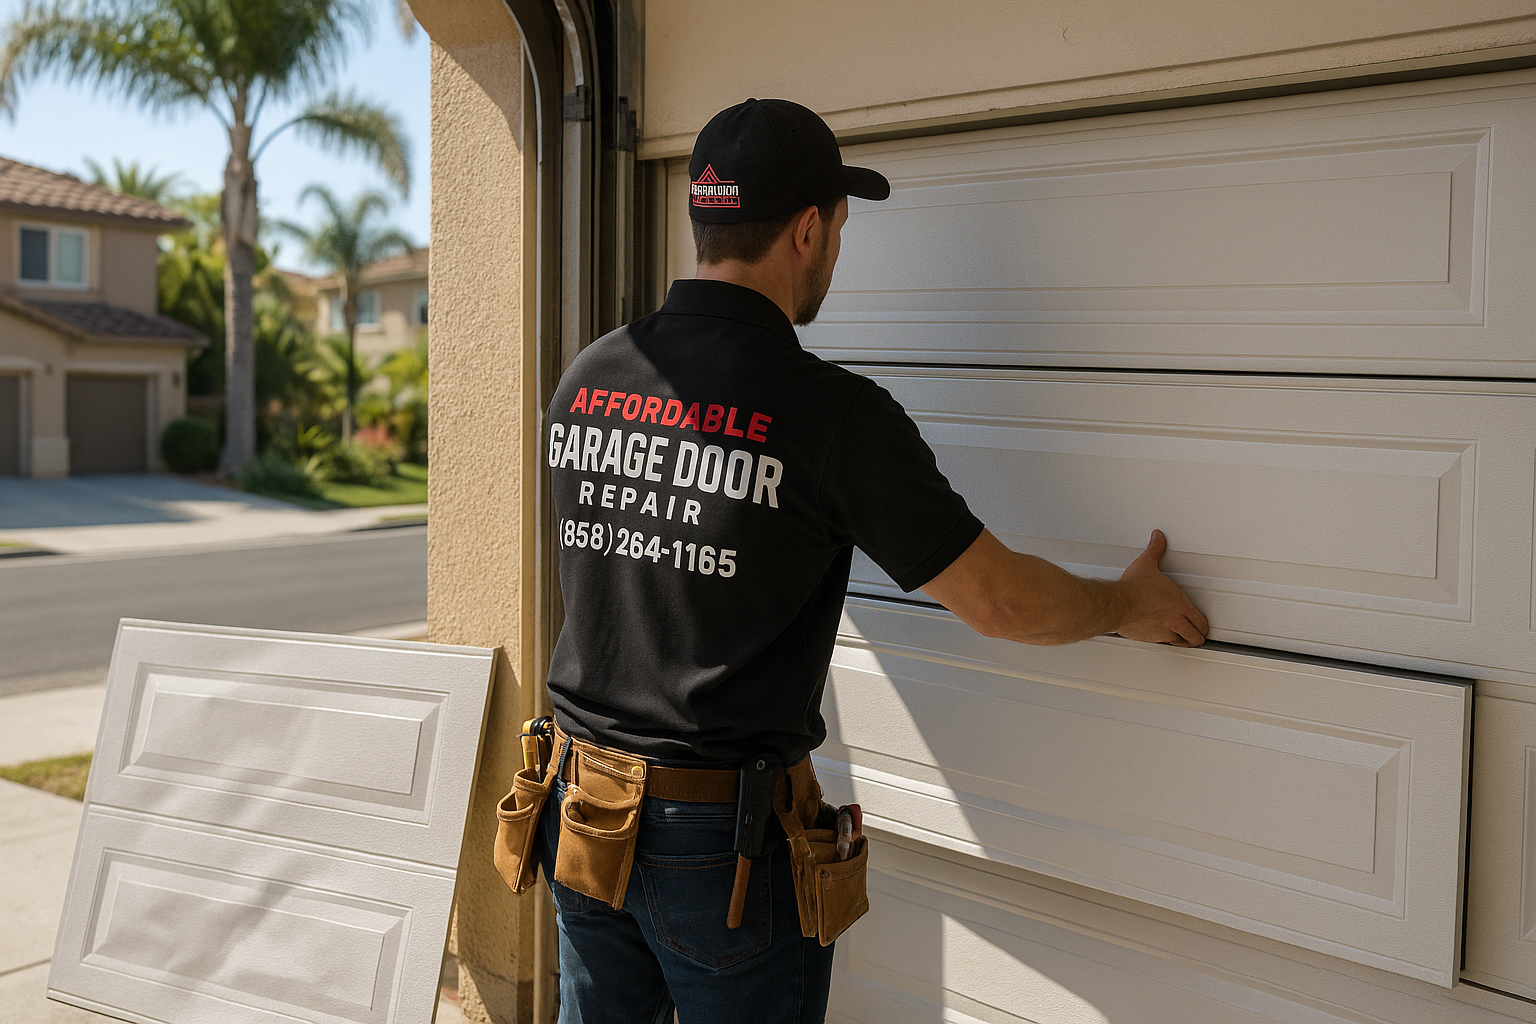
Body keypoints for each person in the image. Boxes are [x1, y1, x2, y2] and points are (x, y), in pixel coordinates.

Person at [531, 97, 1209, 1024]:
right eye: (841, 229)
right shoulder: (828, 416)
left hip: (583, 806)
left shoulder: (590, 376)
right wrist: (1124, 604)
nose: (838, 254)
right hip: (717, 847)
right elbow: (1000, 603)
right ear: (806, 229)